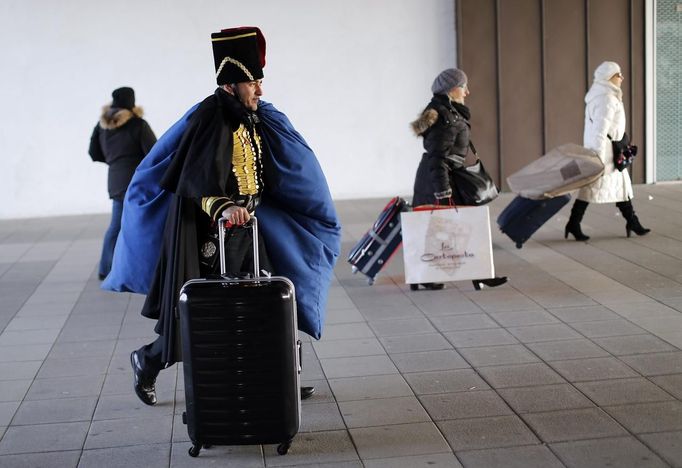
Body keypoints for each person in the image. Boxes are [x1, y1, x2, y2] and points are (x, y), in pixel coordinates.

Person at [121, 27, 340, 406]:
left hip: (249, 229)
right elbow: (194, 181)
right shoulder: (212, 119)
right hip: (216, 236)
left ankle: (279, 378)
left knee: (270, 304)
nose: (259, 90)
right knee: (208, 318)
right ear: (231, 84)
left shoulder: (248, 116)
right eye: (253, 83)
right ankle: (148, 359)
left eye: (259, 82)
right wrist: (225, 206)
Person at [410, 68, 507, 291]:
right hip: (442, 181)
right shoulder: (445, 116)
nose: (468, 91)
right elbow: (437, 156)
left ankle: (476, 275)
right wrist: (443, 191)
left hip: (441, 178)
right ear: (453, 89)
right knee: (456, 226)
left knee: (452, 227)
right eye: (464, 87)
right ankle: (478, 275)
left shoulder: (446, 111)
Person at [565, 61, 650, 241]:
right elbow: (600, 130)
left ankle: (632, 222)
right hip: (605, 153)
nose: (622, 78)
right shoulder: (606, 99)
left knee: (618, 187)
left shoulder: (602, 96)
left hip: (607, 151)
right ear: (608, 77)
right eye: (618, 74)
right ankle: (574, 223)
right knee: (594, 187)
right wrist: (597, 156)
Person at [88, 87, 157, 280]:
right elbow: (153, 153)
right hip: (136, 182)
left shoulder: (101, 126)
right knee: (140, 225)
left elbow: (94, 153)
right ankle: (139, 268)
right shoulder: (138, 125)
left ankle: (106, 268)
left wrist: (114, 161)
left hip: (115, 180)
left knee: (116, 226)